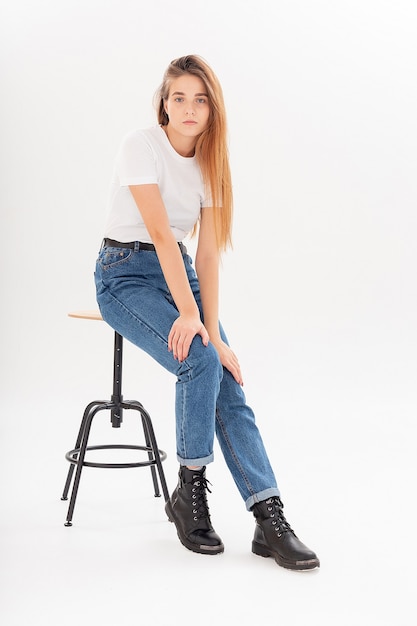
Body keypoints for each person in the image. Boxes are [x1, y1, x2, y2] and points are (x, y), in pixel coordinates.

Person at [94, 54, 319, 571]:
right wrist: (196, 325)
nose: (189, 108)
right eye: (179, 98)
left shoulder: (212, 163)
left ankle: (268, 514)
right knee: (198, 359)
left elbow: (208, 256)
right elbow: (158, 235)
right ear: (164, 105)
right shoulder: (140, 145)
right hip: (123, 271)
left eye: (200, 99)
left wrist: (214, 334)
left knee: (222, 371)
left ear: (212, 110)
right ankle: (189, 492)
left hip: (180, 278)